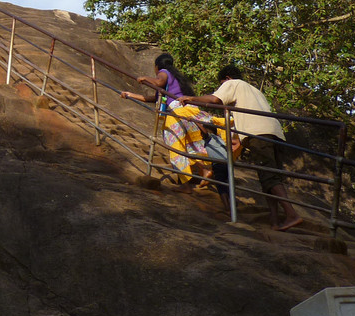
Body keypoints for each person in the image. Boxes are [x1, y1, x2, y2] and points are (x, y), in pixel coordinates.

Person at [180, 65, 303, 231]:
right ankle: (274, 221)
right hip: (275, 133)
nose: (222, 87)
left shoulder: (233, 83)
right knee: (270, 177)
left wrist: (191, 99)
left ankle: (291, 214)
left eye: (222, 83)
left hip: (258, 134)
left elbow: (215, 100)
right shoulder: (255, 91)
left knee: (269, 177)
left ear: (227, 78)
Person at [120, 53, 211, 193]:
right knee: (190, 145)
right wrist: (130, 94)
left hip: (176, 114)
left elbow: (158, 82)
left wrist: (145, 78)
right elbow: (152, 98)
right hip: (189, 112)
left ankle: (186, 185)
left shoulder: (164, 72)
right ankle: (204, 170)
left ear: (157, 66)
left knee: (176, 148)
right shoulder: (176, 79)